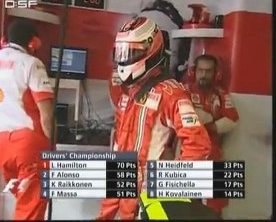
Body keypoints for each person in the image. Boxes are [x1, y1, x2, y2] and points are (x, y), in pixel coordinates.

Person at [97, 16, 212, 220]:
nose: (125, 59)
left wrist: (166, 186)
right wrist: (104, 215)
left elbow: (198, 145)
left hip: (152, 202)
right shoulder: (130, 93)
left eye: (132, 53)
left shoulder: (171, 93)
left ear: (151, 50)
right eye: (121, 53)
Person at [0, 18, 54, 220]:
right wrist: (52, 148)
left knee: (24, 201)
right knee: (30, 209)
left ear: (5, 39)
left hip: (2, 147)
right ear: (33, 42)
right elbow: (46, 114)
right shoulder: (32, 64)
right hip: (29, 146)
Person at [185, 54, 239, 216]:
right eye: (200, 70)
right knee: (182, 205)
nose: (203, 75)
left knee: (216, 207)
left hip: (213, 153)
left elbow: (232, 120)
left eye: (208, 71)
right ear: (194, 72)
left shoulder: (221, 94)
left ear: (216, 73)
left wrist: (208, 125)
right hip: (185, 153)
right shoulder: (182, 91)